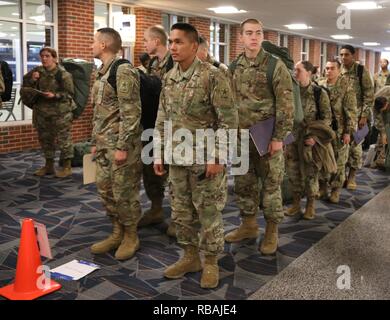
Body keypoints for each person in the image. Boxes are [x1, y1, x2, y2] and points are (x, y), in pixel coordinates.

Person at [153, 23, 237, 288]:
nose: (173, 47)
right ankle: (190, 257)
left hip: (204, 160)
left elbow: (228, 120)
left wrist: (218, 157)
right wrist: (158, 152)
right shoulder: (169, 77)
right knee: (181, 213)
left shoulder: (212, 76)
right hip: (177, 158)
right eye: (171, 42)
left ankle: (210, 262)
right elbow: (162, 117)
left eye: (178, 42)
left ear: (193, 45)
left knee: (208, 212)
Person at [225, 19, 294, 255]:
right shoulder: (234, 67)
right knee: (244, 184)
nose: (253, 37)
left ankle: (272, 230)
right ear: (241, 38)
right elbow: (230, 104)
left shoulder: (274, 66)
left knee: (271, 185)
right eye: (248, 33)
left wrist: (279, 137)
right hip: (242, 139)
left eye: (258, 33)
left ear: (262, 36)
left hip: (267, 138)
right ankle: (249, 225)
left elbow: (286, 105)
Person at [89, 28, 142, 261]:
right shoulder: (101, 72)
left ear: (103, 45)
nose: (91, 44)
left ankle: (131, 235)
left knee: (124, 193)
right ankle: (117, 231)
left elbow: (132, 113)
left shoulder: (123, 70)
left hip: (121, 147)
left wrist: (123, 146)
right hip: (103, 146)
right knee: (105, 190)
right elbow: (99, 113)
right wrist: (94, 142)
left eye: (94, 41)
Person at [139, 25, 174, 235]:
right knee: (150, 169)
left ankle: (180, 217)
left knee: (174, 174)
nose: (144, 44)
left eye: (146, 40)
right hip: (152, 123)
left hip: (171, 127)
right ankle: (156, 208)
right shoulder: (152, 63)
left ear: (157, 41)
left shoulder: (174, 62)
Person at [285, 61, 332, 220]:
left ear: (309, 72)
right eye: (294, 70)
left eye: (298, 70)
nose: (295, 73)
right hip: (292, 139)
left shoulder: (319, 93)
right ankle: (296, 204)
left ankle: (311, 205)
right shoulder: (291, 91)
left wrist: (316, 138)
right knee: (293, 172)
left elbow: (327, 119)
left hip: (309, 140)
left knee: (311, 174)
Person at [22, 47, 75, 178]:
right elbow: (25, 85)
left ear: (54, 58)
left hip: (61, 113)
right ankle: (49, 166)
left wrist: (54, 95)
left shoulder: (63, 74)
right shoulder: (37, 71)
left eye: (47, 56)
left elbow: (69, 94)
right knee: (46, 139)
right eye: (42, 56)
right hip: (42, 112)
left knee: (64, 140)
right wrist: (33, 80)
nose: (44, 59)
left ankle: (67, 167)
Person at [317, 59, 357, 203]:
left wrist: (348, 132)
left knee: (340, 161)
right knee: (322, 159)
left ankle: (335, 190)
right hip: (323, 130)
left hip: (339, 131)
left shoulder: (346, 87)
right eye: (327, 68)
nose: (328, 71)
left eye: (332, 68)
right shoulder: (319, 85)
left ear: (339, 70)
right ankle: (322, 187)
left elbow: (351, 112)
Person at [340, 45, 374, 190]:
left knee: (355, 147)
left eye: (346, 55)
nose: (343, 57)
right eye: (341, 55)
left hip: (357, 115)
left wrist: (364, 116)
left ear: (352, 56)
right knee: (341, 147)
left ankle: (352, 176)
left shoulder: (360, 71)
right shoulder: (338, 70)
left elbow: (369, 94)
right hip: (341, 115)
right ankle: (341, 176)